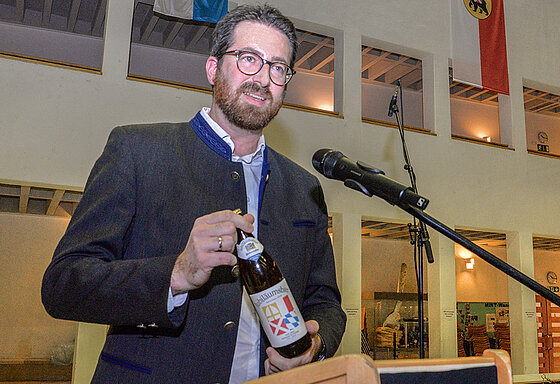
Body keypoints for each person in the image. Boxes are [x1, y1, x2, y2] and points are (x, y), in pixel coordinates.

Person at [41, 4, 346, 384]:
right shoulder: (137, 151)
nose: (263, 77)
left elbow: (327, 304)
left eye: (278, 67)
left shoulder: (304, 188)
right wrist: (177, 274)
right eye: (249, 58)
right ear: (213, 69)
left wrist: (314, 348)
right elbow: (63, 286)